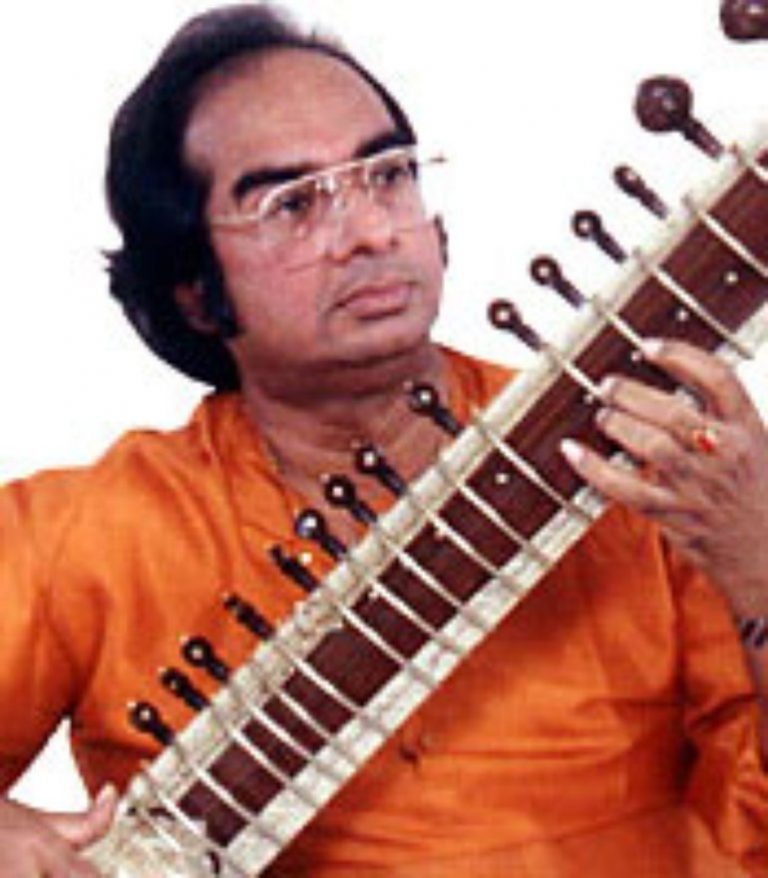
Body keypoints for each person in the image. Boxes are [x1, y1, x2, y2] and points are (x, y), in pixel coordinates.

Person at [0, 3, 767, 875]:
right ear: (196, 291)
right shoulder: (93, 534)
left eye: (389, 175)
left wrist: (758, 561)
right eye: (293, 203)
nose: (371, 232)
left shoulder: (656, 464)